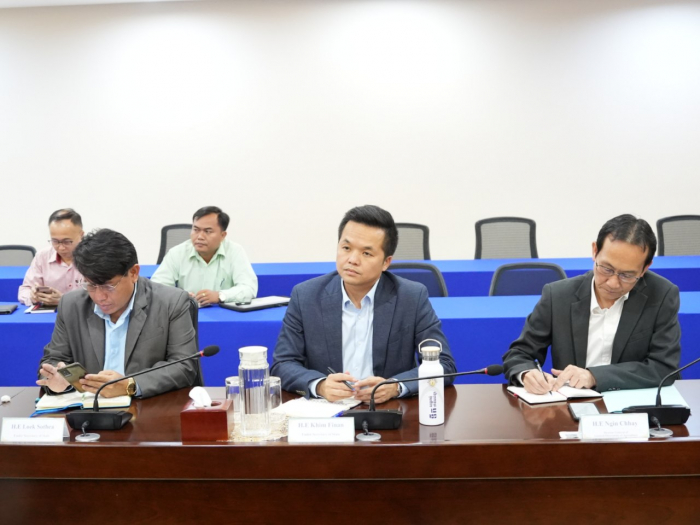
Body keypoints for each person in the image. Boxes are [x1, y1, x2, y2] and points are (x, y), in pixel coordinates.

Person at [272, 205, 456, 404]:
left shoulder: (411, 297)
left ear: (386, 262)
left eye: (366, 253)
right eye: (346, 248)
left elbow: (444, 364)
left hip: (387, 410)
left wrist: (395, 386)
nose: (352, 260)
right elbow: (283, 363)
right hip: (328, 411)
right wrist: (320, 385)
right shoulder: (306, 296)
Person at [502, 214, 681, 394]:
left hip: (634, 403)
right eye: (606, 269)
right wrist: (527, 373)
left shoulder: (661, 295)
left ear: (645, 268)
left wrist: (594, 376)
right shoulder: (558, 296)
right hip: (571, 403)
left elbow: (663, 367)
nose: (613, 283)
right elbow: (519, 354)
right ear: (595, 251)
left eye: (627, 275)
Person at [37, 229, 199, 398]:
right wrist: (56, 378)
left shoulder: (170, 302)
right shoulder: (72, 305)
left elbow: (184, 367)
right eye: (91, 285)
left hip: (147, 405)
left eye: (108, 286)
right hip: (88, 405)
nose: (99, 297)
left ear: (134, 273)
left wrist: (130, 385)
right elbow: (53, 359)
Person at [151, 206, 257, 306]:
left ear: (222, 235)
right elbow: (156, 287)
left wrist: (220, 295)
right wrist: (179, 296)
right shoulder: (177, 253)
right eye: (196, 230)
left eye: (208, 231)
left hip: (223, 313)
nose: (200, 237)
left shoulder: (234, 251)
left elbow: (249, 288)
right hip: (187, 313)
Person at [18, 208, 85, 306]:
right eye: (55, 241)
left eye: (67, 241)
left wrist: (65, 300)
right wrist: (33, 296)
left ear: (81, 235)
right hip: (50, 313)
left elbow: (102, 295)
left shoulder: (94, 257)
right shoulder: (42, 257)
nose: (61, 248)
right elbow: (24, 290)